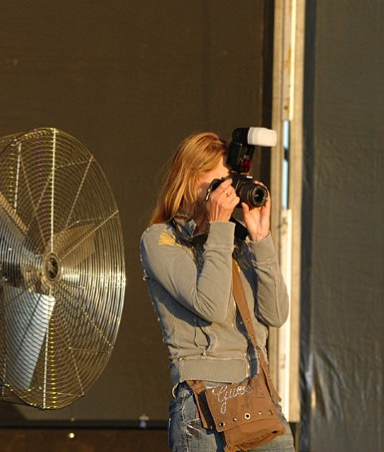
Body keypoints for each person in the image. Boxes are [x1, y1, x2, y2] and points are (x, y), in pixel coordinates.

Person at [139, 131, 294, 451]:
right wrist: (220, 229)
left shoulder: (235, 242)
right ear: (191, 181)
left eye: (231, 184)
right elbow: (209, 304)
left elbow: (276, 314)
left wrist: (261, 239)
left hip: (258, 395)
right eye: (218, 184)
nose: (228, 195)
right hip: (203, 404)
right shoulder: (160, 240)